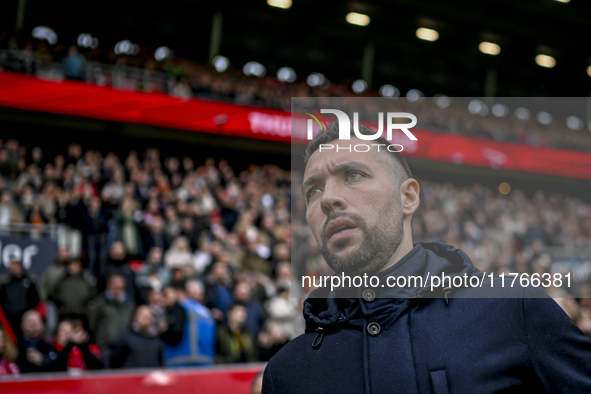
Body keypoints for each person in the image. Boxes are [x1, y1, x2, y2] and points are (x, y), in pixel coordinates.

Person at [262, 123, 591, 393]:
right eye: (313, 191)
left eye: (353, 175)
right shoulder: (286, 372)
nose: (328, 199)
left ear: (408, 197)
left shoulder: (512, 308)